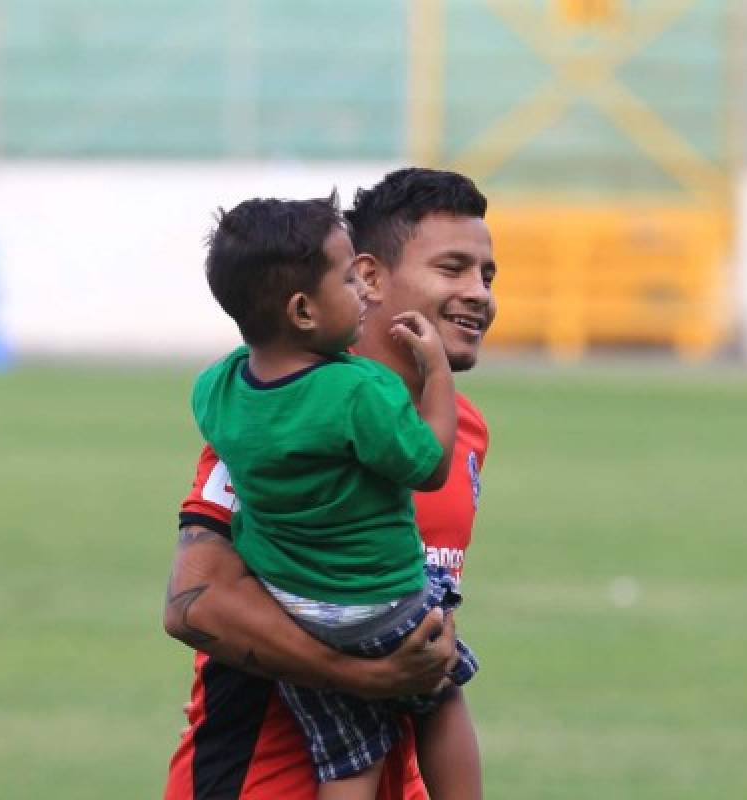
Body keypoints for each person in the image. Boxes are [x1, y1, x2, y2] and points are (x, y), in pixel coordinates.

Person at [164, 168, 497, 800]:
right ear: (368, 278)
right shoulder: (284, 415)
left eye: (487, 276)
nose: (478, 293)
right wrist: (355, 673)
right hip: (260, 778)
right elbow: (195, 600)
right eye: (452, 269)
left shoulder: (464, 428)